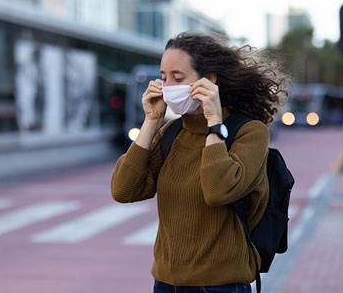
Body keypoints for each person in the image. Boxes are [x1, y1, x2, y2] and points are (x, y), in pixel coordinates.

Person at [111, 31, 290, 293]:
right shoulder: (171, 132)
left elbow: (218, 190)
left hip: (221, 286)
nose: (168, 87)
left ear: (209, 81)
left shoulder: (249, 132)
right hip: (165, 284)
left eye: (178, 78)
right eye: (163, 78)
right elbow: (123, 190)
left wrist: (214, 123)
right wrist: (151, 122)